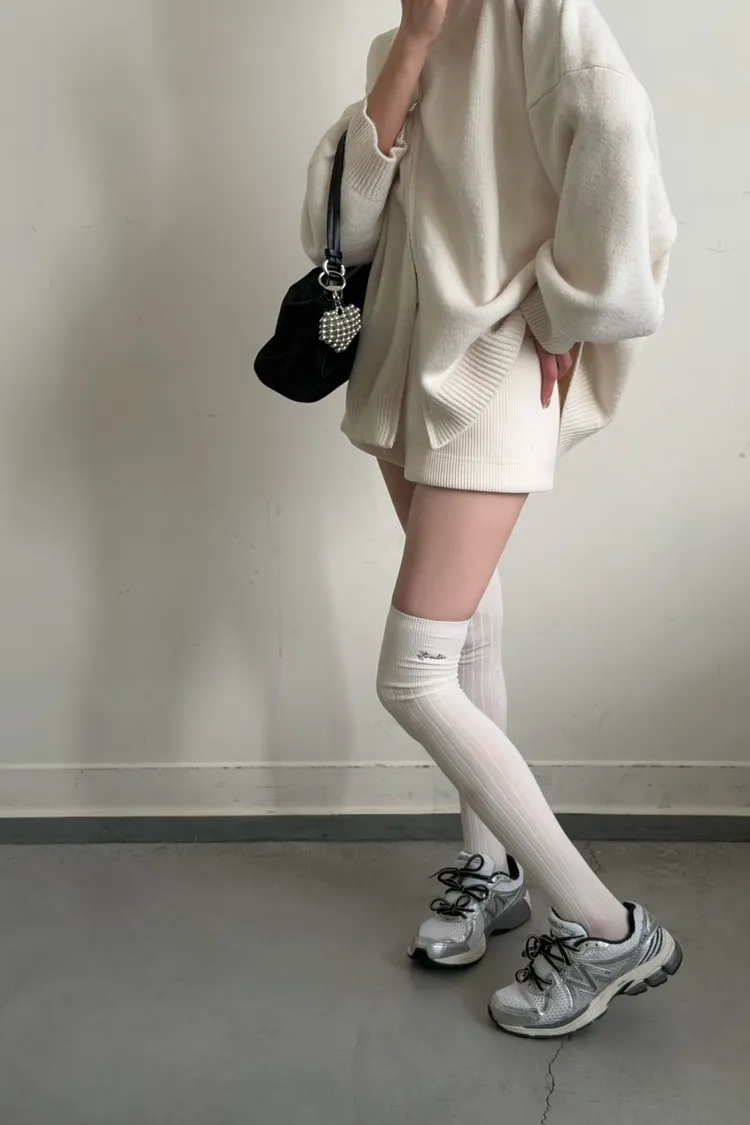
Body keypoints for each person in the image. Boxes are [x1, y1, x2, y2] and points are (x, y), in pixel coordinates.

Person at [301, 0, 681, 1039]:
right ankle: (491, 866)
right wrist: (415, 47)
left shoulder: (542, 15)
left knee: (411, 676)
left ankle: (608, 929)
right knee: (466, 627)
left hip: (497, 368)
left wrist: (569, 308)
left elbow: (620, 136)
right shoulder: (401, 41)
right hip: (399, 369)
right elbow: (346, 232)